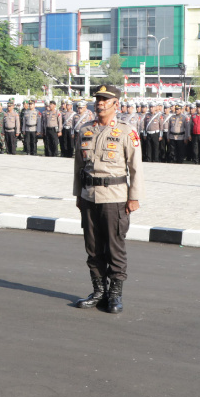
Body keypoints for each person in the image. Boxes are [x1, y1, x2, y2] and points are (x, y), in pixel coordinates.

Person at [73, 85, 143, 314]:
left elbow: (136, 168)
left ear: (116, 104)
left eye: (105, 99)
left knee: (114, 248)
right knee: (92, 248)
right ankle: (99, 291)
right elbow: (78, 167)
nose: (100, 103)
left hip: (115, 198)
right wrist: (78, 195)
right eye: (98, 99)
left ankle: (115, 294)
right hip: (89, 197)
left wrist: (134, 197)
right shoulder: (85, 130)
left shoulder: (126, 131)